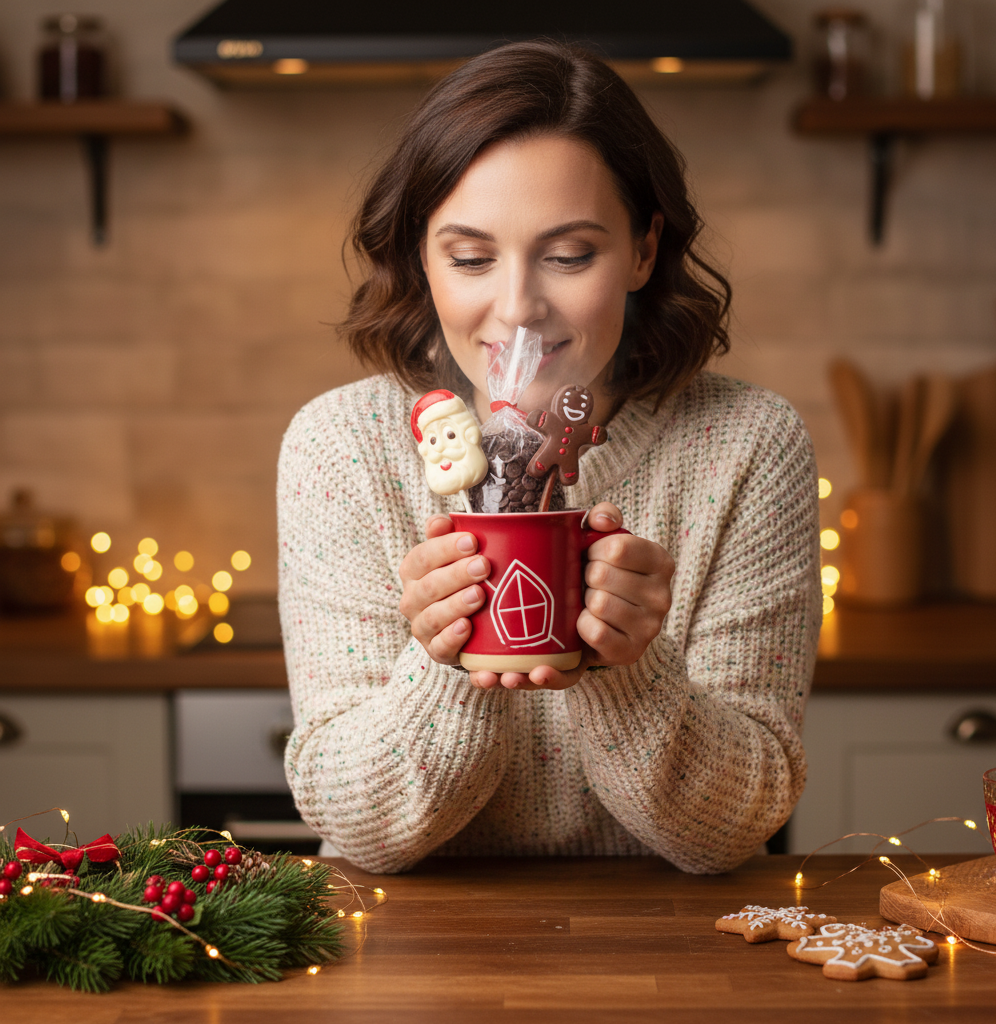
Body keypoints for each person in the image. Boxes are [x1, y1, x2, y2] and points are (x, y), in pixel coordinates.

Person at [278, 40, 821, 874]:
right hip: (407, 959)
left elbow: (730, 834)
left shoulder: (746, 444)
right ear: (422, 259)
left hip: (673, 961)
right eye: (469, 257)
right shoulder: (341, 447)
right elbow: (365, 835)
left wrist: (625, 669)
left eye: (569, 255)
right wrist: (452, 659)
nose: (519, 307)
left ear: (643, 250)